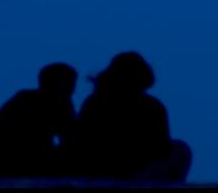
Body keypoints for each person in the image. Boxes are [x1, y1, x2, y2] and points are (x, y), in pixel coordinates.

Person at [74, 52, 191, 182]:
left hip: (123, 169)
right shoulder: (152, 106)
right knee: (181, 149)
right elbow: (161, 147)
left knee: (181, 149)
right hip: (119, 170)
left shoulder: (94, 102)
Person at [0, 63, 78, 177]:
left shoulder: (60, 104)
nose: (72, 89)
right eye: (68, 84)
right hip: (6, 167)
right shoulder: (26, 104)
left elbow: (68, 136)